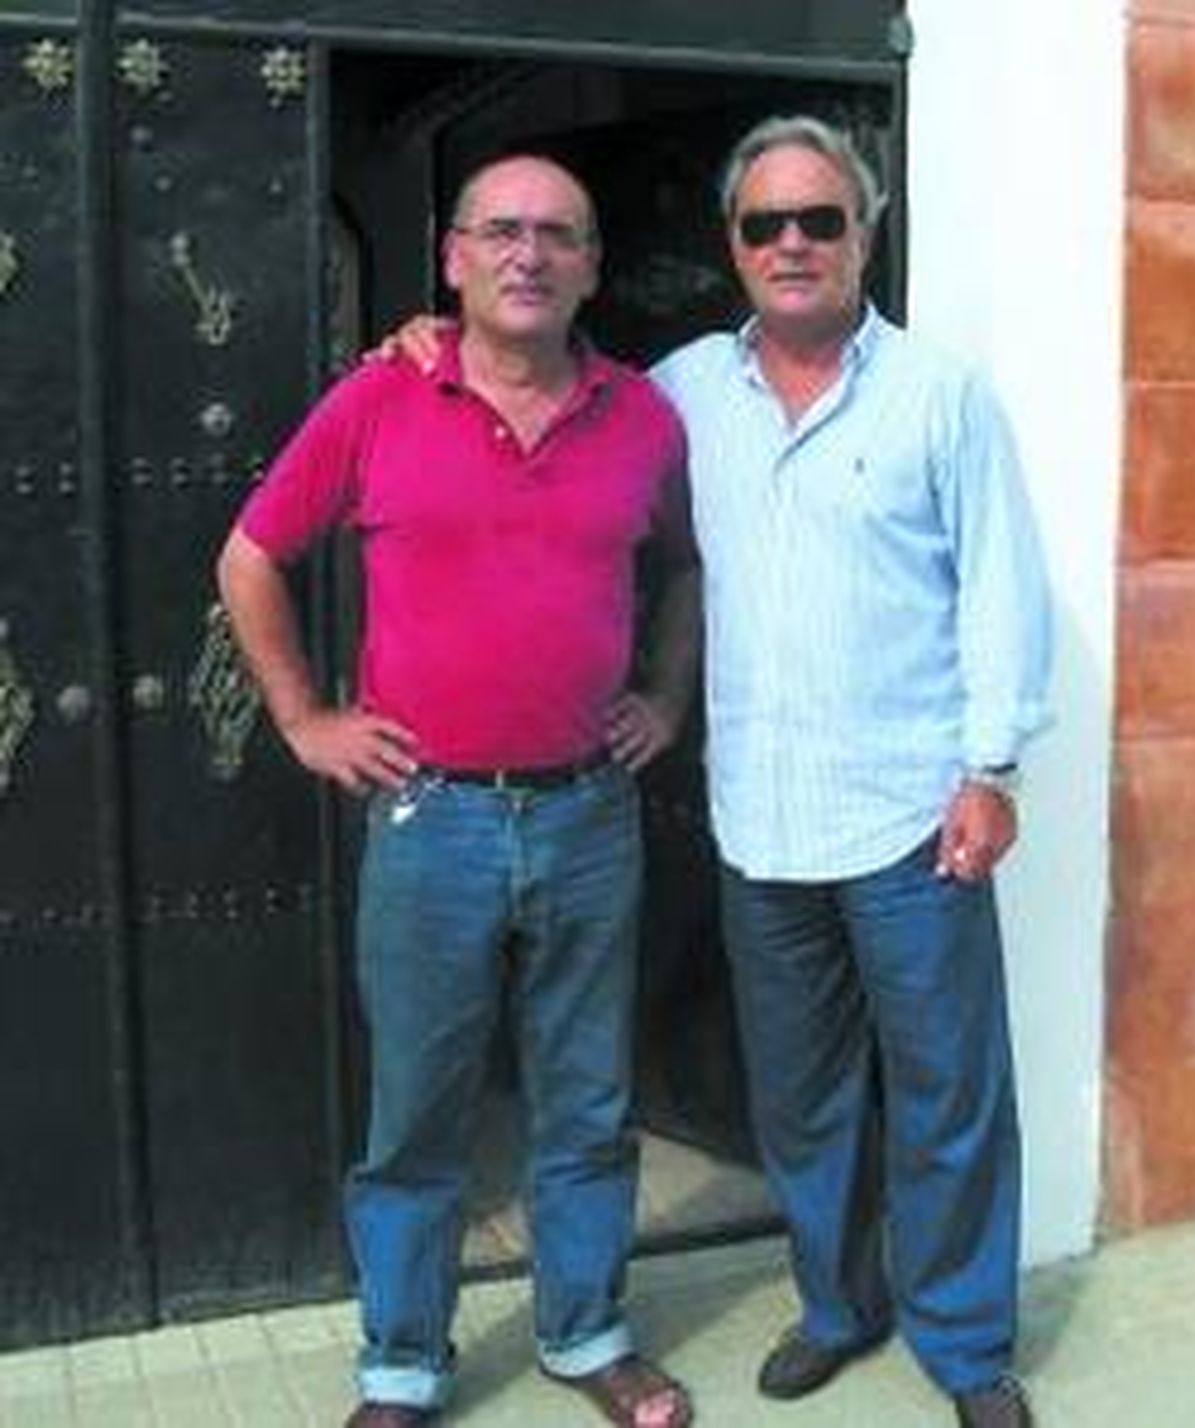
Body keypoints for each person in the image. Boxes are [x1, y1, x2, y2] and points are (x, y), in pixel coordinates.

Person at [391, 114, 1051, 1428]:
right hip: (763, 822)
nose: (794, 244)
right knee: (801, 1100)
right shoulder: (681, 391)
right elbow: (541, 386)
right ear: (733, 245)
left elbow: (1001, 588)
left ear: (866, 234)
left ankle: (968, 1346)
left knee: (947, 1095)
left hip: (917, 816)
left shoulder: (941, 395)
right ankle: (838, 1306)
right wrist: (423, 346)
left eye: (822, 220)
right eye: (767, 224)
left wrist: (991, 768)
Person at [216, 153, 699, 1428]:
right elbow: (251, 555)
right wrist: (304, 717)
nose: (528, 254)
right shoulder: (381, 398)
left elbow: (687, 569)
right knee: (419, 1110)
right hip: (433, 816)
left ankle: (588, 1335)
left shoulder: (643, 416)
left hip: (591, 810)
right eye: (501, 231)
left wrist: (666, 694)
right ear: (454, 257)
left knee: (587, 1098)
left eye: (557, 234)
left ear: (593, 265)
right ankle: (402, 1365)